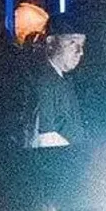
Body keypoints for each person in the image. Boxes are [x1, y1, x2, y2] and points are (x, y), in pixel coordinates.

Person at [23, 14, 87, 148]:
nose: (80, 51)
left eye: (82, 44)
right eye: (72, 42)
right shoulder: (44, 81)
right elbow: (45, 136)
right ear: (51, 42)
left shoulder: (64, 79)